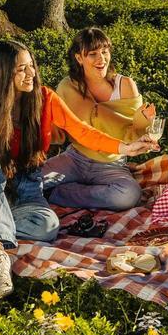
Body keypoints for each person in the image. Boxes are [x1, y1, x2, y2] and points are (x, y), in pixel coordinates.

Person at [0, 40, 157, 298]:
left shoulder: (45, 98)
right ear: (3, 74)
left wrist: (124, 147)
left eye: (31, 67)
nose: (31, 74)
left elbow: (81, 130)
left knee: (47, 228)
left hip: (28, 185)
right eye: (21, 70)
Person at [42, 27, 156, 211]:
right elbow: (62, 130)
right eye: (92, 54)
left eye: (104, 52)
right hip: (75, 158)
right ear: (79, 58)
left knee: (128, 195)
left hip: (111, 163)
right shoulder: (69, 86)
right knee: (28, 180)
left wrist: (144, 120)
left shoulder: (125, 85)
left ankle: (57, 194)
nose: (101, 59)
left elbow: (133, 133)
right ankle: (74, 191)